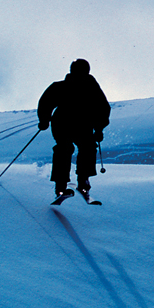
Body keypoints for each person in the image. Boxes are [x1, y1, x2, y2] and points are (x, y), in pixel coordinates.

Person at [37, 59, 110, 201]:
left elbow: (45, 102)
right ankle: (82, 181)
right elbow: (103, 108)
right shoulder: (92, 88)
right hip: (79, 124)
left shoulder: (61, 86)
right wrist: (99, 128)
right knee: (84, 148)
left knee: (66, 149)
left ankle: (62, 186)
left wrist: (44, 120)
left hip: (63, 123)